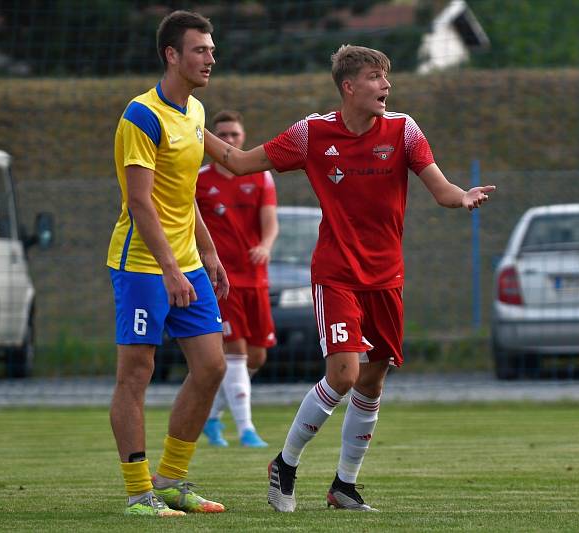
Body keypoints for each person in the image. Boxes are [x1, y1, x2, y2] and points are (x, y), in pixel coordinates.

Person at [203, 44, 495, 512]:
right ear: (349, 86)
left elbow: (440, 188)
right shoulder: (311, 133)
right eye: (377, 78)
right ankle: (286, 463)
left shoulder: (403, 130)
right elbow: (238, 162)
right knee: (343, 373)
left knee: (372, 383)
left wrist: (462, 197)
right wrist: (188, 129)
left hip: (387, 277)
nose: (386, 87)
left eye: (388, 79)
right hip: (336, 274)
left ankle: (344, 486)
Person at [106, 10, 229, 518]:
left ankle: (172, 480)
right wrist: (171, 270)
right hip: (141, 266)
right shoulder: (142, 115)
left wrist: (208, 252)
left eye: (212, 49)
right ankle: (139, 493)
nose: (210, 58)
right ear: (172, 55)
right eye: (200, 49)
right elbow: (142, 203)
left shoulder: (196, 113)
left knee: (212, 367)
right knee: (137, 373)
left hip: (187, 264)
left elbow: (184, 196)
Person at [196, 110, 279, 448]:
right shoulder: (199, 179)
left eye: (234, 135)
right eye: (223, 135)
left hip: (256, 278)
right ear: (211, 142)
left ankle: (211, 418)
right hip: (221, 280)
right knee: (236, 353)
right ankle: (247, 430)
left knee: (257, 357)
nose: (229, 141)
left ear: (243, 138)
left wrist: (265, 244)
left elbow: (270, 221)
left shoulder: (261, 177)